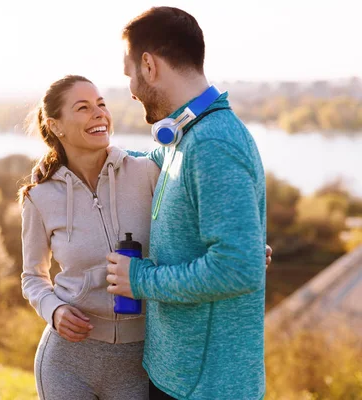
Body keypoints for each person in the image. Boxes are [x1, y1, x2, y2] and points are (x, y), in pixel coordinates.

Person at [19, 75, 272, 399]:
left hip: (140, 359)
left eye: (101, 105)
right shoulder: (39, 197)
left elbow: (192, 224)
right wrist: (54, 310)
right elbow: (32, 277)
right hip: (68, 359)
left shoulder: (147, 171)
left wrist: (244, 247)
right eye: (83, 108)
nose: (99, 114)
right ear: (56, 126)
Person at [105, 7, 268, 400]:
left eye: (129, 72)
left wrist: (138, 279)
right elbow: (146, 161)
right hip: (179, 374)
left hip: (207, 386)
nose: (129, 86)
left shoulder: (212, 144)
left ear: (148, 65)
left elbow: (237, 268)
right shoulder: (185, 139)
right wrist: (78, 152)